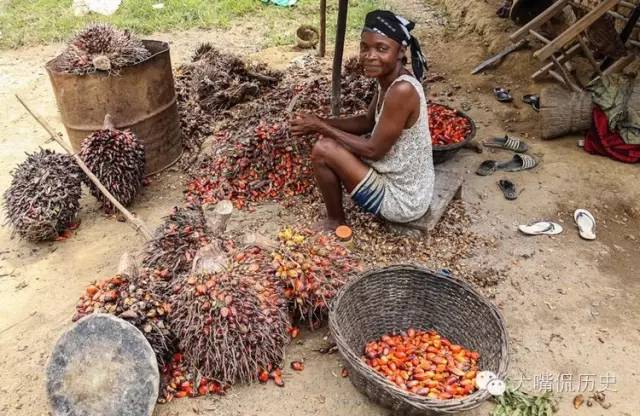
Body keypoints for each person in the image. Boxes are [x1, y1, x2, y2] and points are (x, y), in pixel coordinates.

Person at [290, 10, 434, 231]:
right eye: (364, 47)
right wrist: (319, 121)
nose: (369, 56)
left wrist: (321, 127)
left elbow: (373, 150)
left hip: (403, 200)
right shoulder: (388, 79)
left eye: (381, 48)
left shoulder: (402, 90)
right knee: (329, 142)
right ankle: (336, 217)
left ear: (400, 52)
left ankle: (335, 221)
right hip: (407, 185)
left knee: (323, 149)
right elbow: (366, 122)